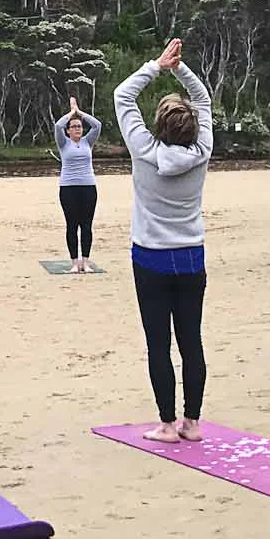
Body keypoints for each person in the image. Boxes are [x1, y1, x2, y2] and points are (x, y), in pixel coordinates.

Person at [114, 38, 214, 443]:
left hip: (151, 258)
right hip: (190, 256)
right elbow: (203, 100)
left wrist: (158, 64)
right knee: (191, 340)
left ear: (158, 125)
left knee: (159, 344)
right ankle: (192, 423)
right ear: (191, 126)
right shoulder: (203, 149)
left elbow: (124, 95)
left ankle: (167, 425)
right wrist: (179, 70)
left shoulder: (143, 150)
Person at [53, 95, 102, 273]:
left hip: (88, 187)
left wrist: (80, 113)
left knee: (87, 225)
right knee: (72, 225)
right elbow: (58, 125)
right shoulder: (63, 143)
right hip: (68, 188)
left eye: (79, 126)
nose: (77, 129)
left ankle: (86, 262)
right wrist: (71, 113)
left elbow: (97, 125)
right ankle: (74, 262)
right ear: (68, 131)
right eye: (73, 127)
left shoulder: (87, 142)